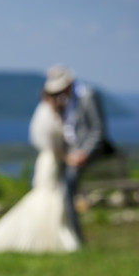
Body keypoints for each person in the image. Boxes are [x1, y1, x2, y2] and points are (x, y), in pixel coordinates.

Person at [0, 92, 81, 255]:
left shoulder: (53, 113)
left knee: (51, 198)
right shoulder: (46, 114)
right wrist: (67, 158)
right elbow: (50, 143)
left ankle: (51, 237)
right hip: (50, 161)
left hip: (52, 161)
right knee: (45, 196)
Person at [43, 65, 107, 242]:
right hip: (69, 154)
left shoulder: (88, 96)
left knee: (68, 186)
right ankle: (68, 234)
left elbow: (97, 130)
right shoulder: (63, 101)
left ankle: (76, 238)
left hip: (84, 154)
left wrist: (83, 154)